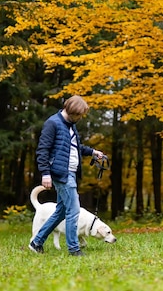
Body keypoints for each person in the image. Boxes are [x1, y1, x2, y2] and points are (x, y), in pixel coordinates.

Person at [28, 95, 105, 256]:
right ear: (71, 111)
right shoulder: (53, 123)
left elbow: (75, 148)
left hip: (70, 173)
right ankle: (74, 249)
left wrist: (92, 152)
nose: (81, 118)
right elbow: (43, 150)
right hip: (61, 174)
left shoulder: (70, 125)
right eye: (79, 115)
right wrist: (45, 174)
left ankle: (36, 242)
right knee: (74, 210)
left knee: (61, 211)